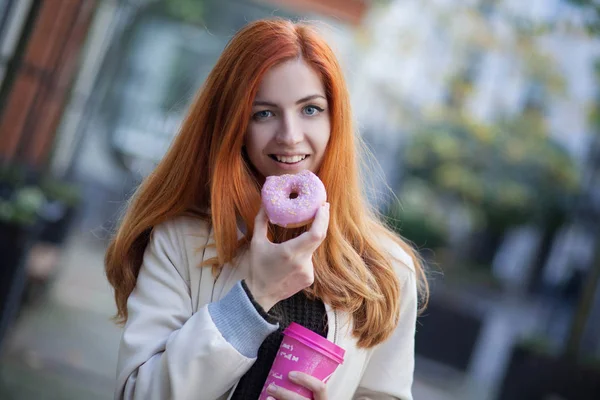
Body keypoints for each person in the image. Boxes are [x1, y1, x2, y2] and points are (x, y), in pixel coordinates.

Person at [105, 18, 428, 400]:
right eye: (264, 113)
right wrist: (255, 296)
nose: (290, 136)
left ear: (334, 119)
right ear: (233, 126)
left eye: (310, 109)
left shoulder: (386, 268)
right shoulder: (180, 242)